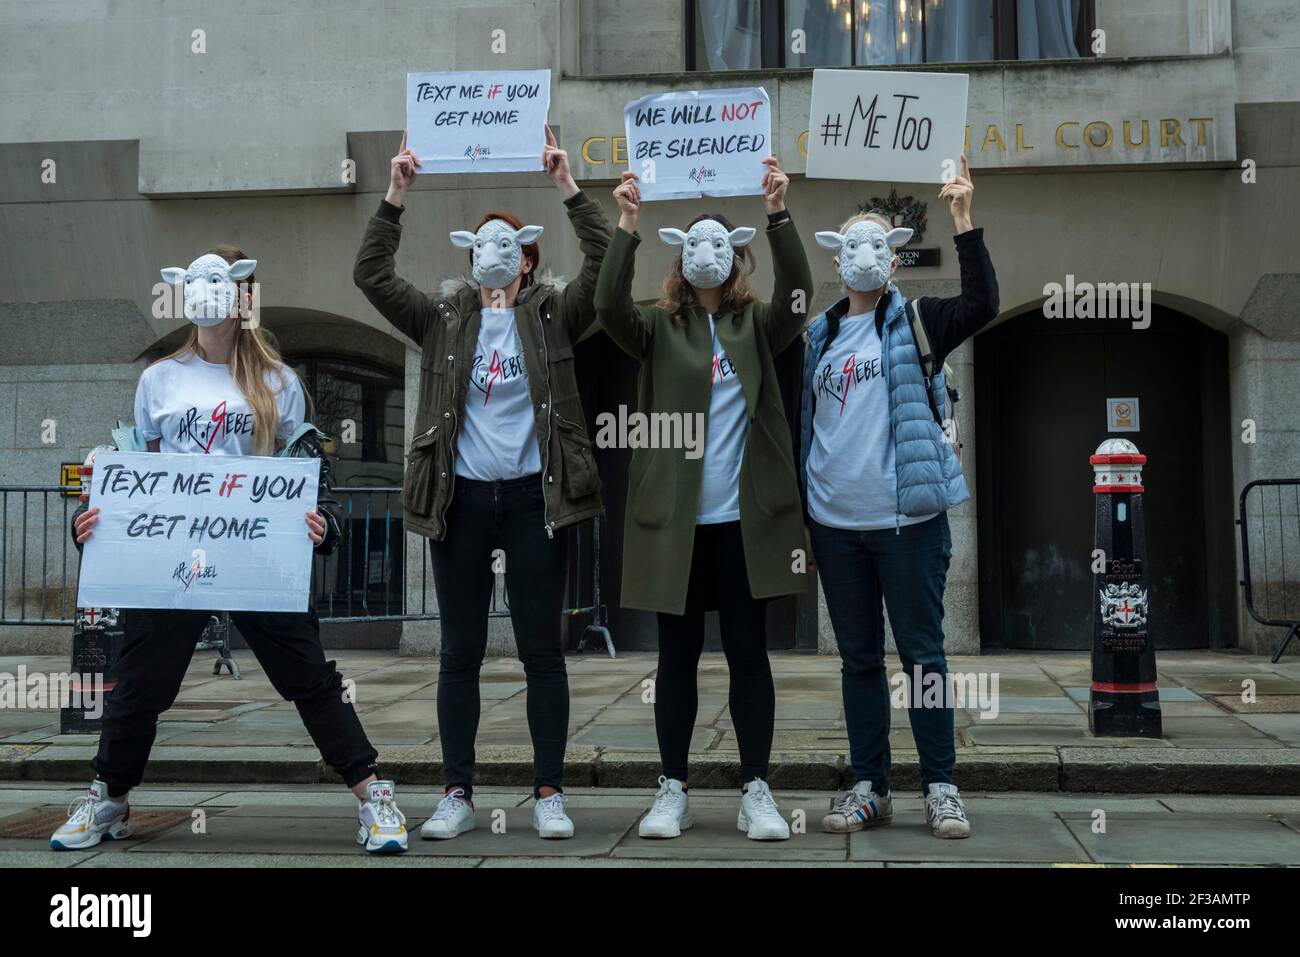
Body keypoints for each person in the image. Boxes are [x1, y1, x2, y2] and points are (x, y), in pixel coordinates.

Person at [55, 246, 409, 854]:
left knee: (309, 678)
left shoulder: (278, 381)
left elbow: (308, 476)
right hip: (172, 559)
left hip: (255, 558)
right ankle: (108, 797)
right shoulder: (158, 378)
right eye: (196, 283)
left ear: (244, 294)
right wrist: (95, 525)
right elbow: (136, 471)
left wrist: (323, 524)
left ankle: (374, 796)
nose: (208, 296)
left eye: (221, 284)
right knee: (140, 681)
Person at [353, 127, 611, 840]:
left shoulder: (553, 316)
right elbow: (371, 276)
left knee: (540, 651)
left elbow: (607, 264)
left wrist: (567, 183)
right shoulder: (443, 319)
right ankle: (457, 790)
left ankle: (549, 791)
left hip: (536, 500)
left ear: (527, 261)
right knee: (459, 651)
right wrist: (395, 193)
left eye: (506, 245)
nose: (490, 255)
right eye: (479, 245)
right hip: (460, 502)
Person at [594, 158, 812, 841]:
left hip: (746, 523)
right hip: (677, 526)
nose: (707, 254)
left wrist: (779, 212)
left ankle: (756, 789)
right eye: (695, 244)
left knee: (750, 653)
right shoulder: (659, 328)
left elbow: (802, 294)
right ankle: (673, 787)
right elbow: (604, 308)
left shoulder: (756, 325)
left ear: (737, 255)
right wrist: (627, 222)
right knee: (676, 657)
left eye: (721, 243)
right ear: (680, 259)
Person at [801, 154, 999, 838]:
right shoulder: (818, 335)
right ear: (836, 257)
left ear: (892, 259)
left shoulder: (917, 322)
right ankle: (870, 785)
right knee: (858, 659)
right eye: (850, 240)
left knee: (923, 656)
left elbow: (983, 305)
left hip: (906, 522)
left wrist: (963, 219)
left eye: (876, 243)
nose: (862, 252)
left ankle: (941, 785)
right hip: (835, 525)